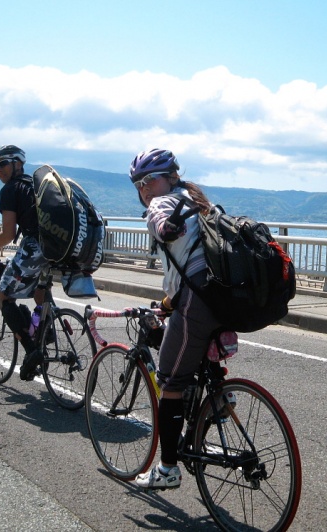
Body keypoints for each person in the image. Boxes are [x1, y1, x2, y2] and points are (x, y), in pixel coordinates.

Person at [129, 149, 222, 490]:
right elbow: (192, 264)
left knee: (169, 383)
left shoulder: (164, 203)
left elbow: (159, 222)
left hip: (197, 303)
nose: (144, 188)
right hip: (220, 298)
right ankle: (219, 404)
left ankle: (168, 470)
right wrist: (167, 304)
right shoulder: (199, 203)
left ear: (169, 177)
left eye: (149, 179)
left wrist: (164, 227)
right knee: (197, 368)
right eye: (138, 183)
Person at [0, 145, 49, 381]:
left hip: (33, 246)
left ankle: (31, 350)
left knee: (4, 296)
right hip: (56, 247)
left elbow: (8, 235)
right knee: (40, 293)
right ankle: (46, 331)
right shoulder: (36, 185)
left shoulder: (10, 190)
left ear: (17, 163)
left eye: (3, 164)